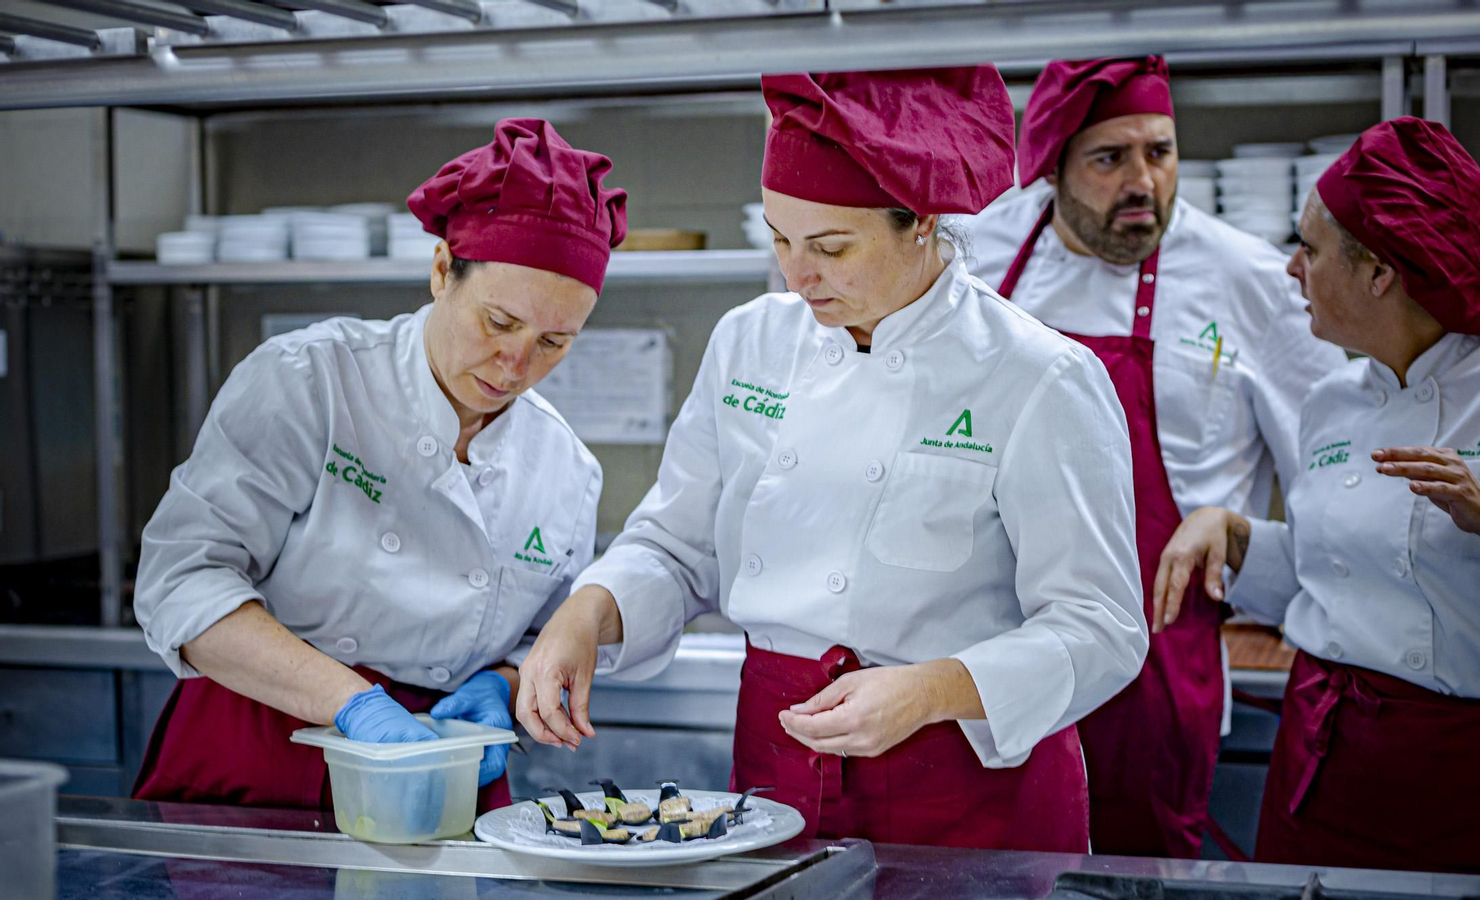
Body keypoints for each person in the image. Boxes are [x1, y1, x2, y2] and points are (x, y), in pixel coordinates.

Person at [517, 66, 1146, 852]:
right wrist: (590, 610)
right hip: (779, 762)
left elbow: (1102, 625)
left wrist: (930, 691)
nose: (796, 274)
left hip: (965, 781)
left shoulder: (1037, 375)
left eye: (830, 246)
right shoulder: (751, 341)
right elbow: (677, 546)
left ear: (919, 220)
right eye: (779, 238)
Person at [131, 118, 626, 813]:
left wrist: (507, 688)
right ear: (440, 270)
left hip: (441, 772)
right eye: (499, 323)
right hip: (263, 746)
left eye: (553, 341)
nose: (516, 366)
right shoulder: (310, 382)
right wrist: (352, 705)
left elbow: (545, 640)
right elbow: (179, 582)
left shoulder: (565, 469)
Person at [1156, 116, 1480, 874]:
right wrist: (1229, 531)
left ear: (1380, 273)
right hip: (1325, 764)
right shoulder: (1333, 398)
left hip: (1477, 772)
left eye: (1310, 248)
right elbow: (1332, 571)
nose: (1290, 270)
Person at [965, 56, 1347, 858]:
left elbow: (1332, 477)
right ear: (1053, 170)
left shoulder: (1248, 280)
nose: (1144, 181)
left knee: (1144, 872)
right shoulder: (975, 261)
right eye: (1109, 159)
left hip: (1157, 665)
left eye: (1161, 152)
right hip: (990, 645)